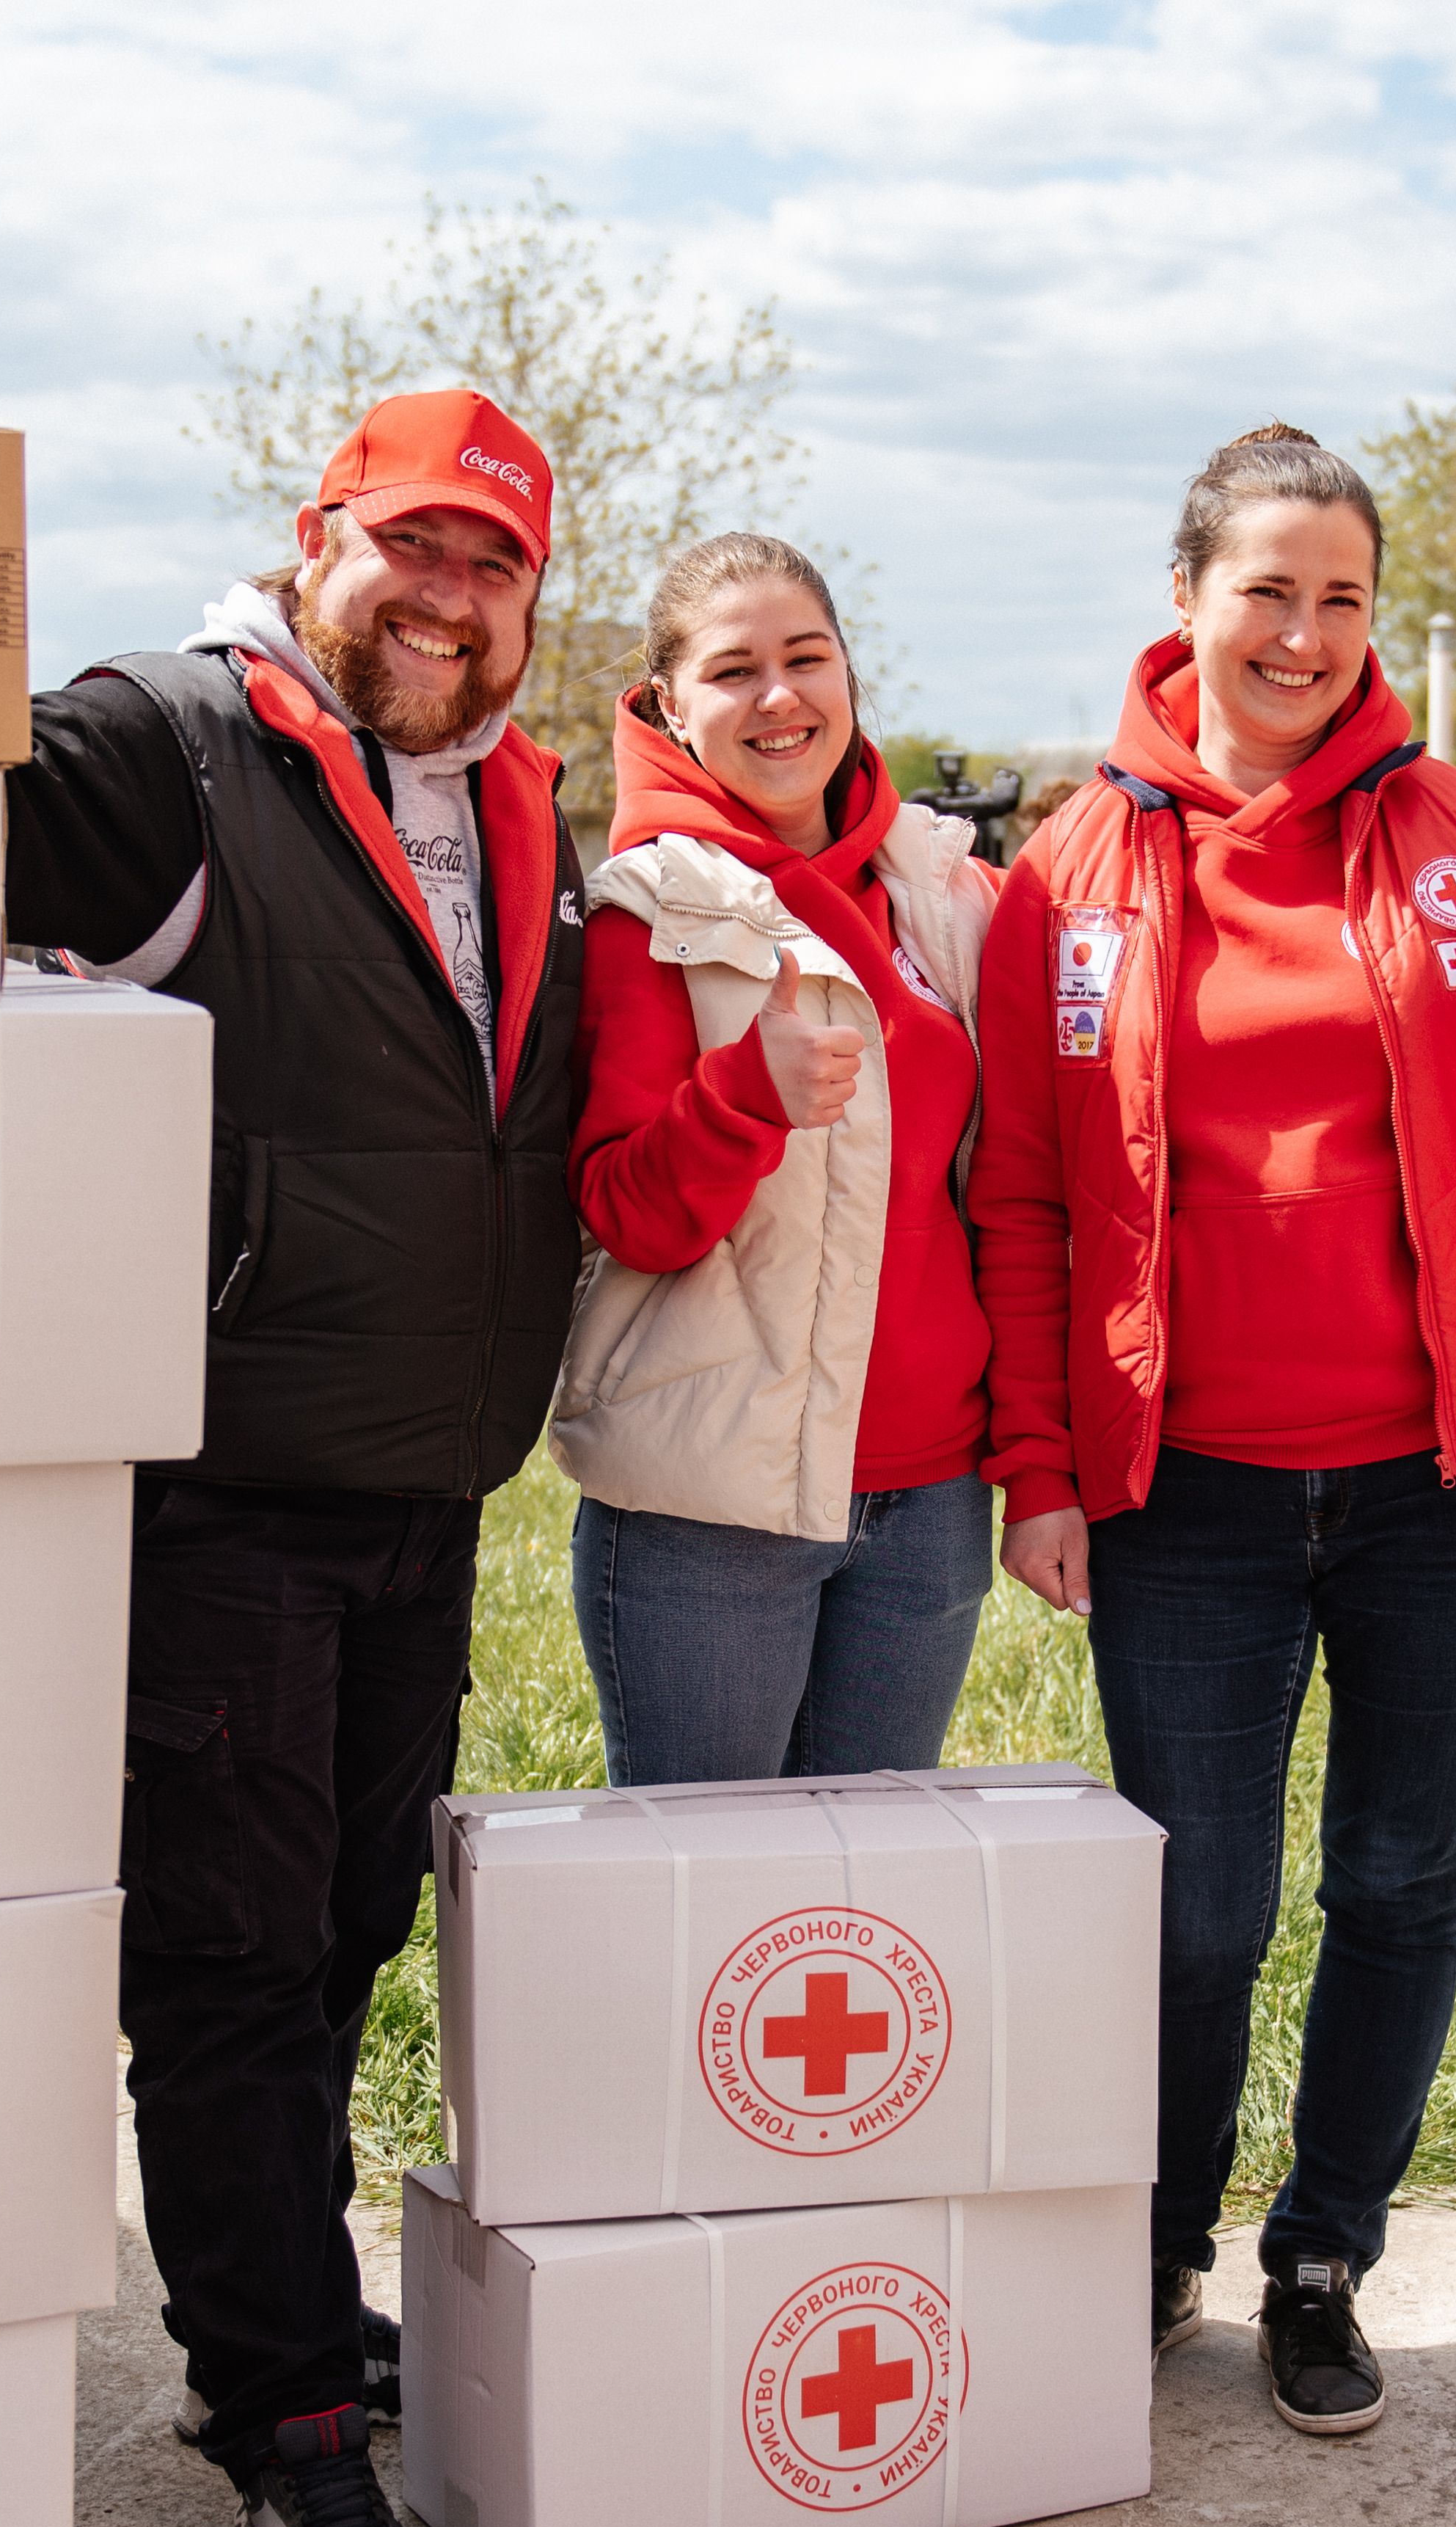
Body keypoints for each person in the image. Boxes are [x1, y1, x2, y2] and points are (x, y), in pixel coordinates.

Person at [0, 392, 585, 2527]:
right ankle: (278, 2413)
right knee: (233, 1969)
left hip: (424, 1487)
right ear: (316, 538)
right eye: (410, 550)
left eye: (494, 567)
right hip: (224, 1498)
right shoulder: (163, 748)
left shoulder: (512, 798)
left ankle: (282, 2308)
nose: (446, 603)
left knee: (346, 1927)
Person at [974, 426, 1456, 2440]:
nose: (1302, 632)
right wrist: (1043, 1467)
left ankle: (1324, 2251)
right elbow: (1028, 1196)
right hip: (1186, 1497)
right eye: (1266, 590)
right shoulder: (1068, 869)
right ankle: (1154, 2242)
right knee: (1200, 1905)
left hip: (1442, 1492)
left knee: (1400, 1880)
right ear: (1188, 599)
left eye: (1340, 598)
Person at [555, 533, 999, 1783]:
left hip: (926, 1501)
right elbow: (628, 1215)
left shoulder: (940, 889)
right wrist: (742, 1095)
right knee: (707, 1920)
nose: (777, 697)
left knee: (850, 1914)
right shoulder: (643, 910)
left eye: (805, 658)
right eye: (732, 670)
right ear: (666, 707)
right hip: (712, 1513)